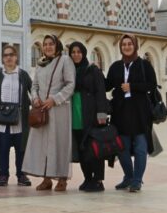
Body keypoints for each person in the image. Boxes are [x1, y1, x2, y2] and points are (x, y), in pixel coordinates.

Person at [106, 34, 157, 193]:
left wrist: (132, 87)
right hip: (121, 113)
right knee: (122, 148)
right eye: (124, 44)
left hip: (140, 113)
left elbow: (152, 85)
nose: (127, 47)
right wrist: (94, 71)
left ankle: (137, 180)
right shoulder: (115, 66)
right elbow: (107, 86)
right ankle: (128, 176)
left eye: (130, 44)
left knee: (141, 148)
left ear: (135, 46)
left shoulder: (144, 65)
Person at [24, 34, 75, 192]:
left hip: (59, 110)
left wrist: (54, 99)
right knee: (43, 146)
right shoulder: (41, 64)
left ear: (57, 45)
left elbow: (70, 84)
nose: (47, 47)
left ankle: (62, 178)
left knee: (59, 143)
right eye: (45, 44)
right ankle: (46, 179)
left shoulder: (65, 61)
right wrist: (35, 99)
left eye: (50, 44)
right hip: (42, 110)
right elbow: (34, 86)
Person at [0, 44, 32, 187]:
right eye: (6, 55)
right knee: (3, 148)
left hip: (19, 117)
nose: (9, 58)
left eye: (11, 55)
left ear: (16, 57)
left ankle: (21, 174)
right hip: (2, 117)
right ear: (3, 58)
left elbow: (33, 90)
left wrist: (37, 101)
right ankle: (3, 174)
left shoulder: (23, 74)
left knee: (21, 148)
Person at [68, 42, 109, 192]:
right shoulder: (70, 70)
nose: (76, 54)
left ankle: (98, 180)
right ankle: (87, 178)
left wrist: (102, 114)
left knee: (95, 149)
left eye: (79, 52)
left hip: (91, 114)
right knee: (82, 148)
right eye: (73, 52)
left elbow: (100, 92)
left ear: (84, 53)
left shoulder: (93, 70)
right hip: (76, 114)